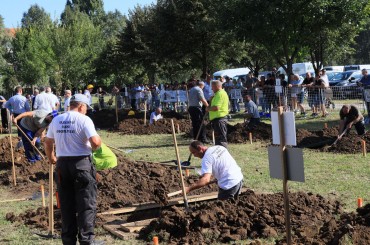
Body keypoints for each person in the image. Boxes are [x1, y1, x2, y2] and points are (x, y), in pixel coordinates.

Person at [44, 94, 103, 245]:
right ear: (82, 106)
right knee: (86, 205)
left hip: (62, 166)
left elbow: (48, 140)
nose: (86, 111)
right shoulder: (84, 120)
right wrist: (94, 148)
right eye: (86, 109)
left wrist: (51, 157)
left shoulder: (57, 119)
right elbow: (95, 141)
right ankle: (86, 241)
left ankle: (68, 241)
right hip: (81, 164)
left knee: (66, 206)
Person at [208, 80, 229, 148]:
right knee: (218, 139)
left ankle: (222, 155)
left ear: (217, 86)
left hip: (219, 120)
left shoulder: (220, 94)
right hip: (217, 120)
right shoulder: (217, 94)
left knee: (221, 140)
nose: (211, 89)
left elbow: (216, 107)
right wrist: (211, 101)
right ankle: (219, 154)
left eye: (212, 87)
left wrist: (208, 109)